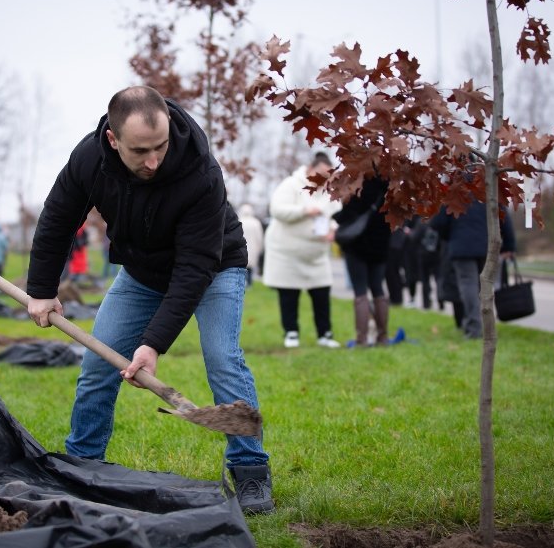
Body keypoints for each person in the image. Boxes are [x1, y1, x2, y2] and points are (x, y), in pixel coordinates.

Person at [25, 86, 273, 514]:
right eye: (140, 151)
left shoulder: (199, 170)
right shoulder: (89, 160)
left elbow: (194, 268)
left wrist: (153, 343)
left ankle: (250, 471)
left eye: (160, 146)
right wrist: (43, 289)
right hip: (141, 273)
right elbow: (58, 218)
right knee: (97, 366)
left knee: (222, 358)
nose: (154, 161)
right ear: (113, 140)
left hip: (214, 269)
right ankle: (82, 467)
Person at [262, 152, 342, 349]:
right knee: (289, 294)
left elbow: (335, 215)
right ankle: (291, 332)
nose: (324, 179)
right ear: (310, 170)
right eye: (320, 174)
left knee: (322, 293)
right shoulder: (291, 185)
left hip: (316, 255)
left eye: (328, 175)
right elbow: (277, 210)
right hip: (287, 253)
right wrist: (304, 211)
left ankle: (325, 333)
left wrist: (332, 230)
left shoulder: (328, 191)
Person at [430, 199, 516, 339]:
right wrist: (510, 246)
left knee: (468, 285)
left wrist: (450, 235)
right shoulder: (488, 190)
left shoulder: (454, 193)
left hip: (461, 246)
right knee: (485, 286)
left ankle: (474, 327)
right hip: (487, 245)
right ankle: (487, 326)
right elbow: (504, 219)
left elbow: (438, 224)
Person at [333, 175, 392, 347]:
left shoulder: (355, 184)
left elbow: (347, 214)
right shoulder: (388, 185)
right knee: (378, 289)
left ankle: (362, 338)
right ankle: (383, 337)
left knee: (360, 292)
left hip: (357, 245)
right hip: (381, 244)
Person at [238, 204, 264, 286]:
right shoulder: (256, 222)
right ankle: (249, 283)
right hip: (253, 247)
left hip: (241, 247)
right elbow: (259, 236)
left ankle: (243, 282)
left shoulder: (239, 220)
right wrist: (260, 247)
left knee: (242, 264)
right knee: (250, 266)